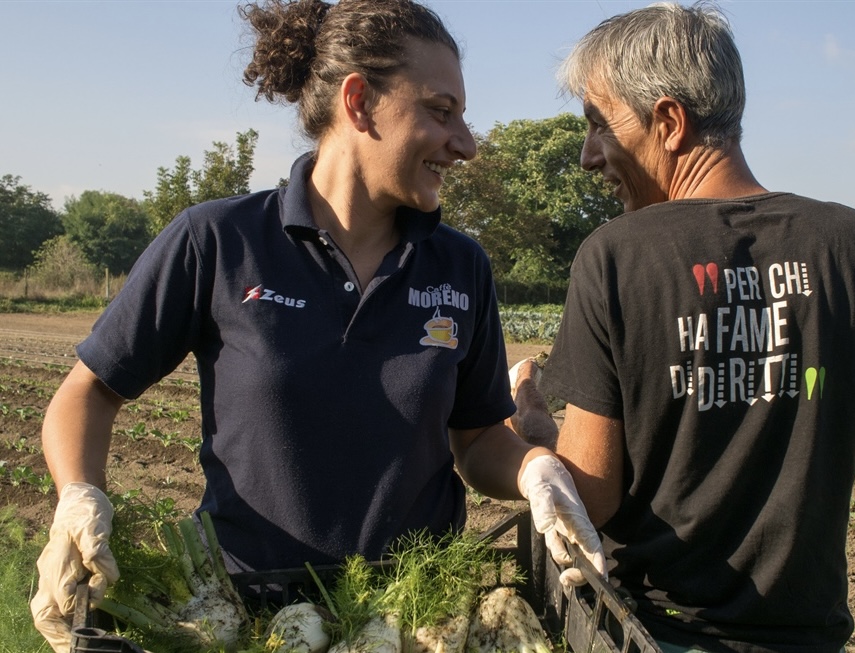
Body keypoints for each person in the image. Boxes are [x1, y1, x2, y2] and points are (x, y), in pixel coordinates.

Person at [28, 1, 604, 651]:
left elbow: (476, 439)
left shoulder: (459, 265)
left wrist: (532, 468)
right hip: (240, 619)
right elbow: (89, 392)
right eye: (441, 111)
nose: (466, 143)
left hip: (415, 620)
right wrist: (77, 494)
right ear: (359, 103)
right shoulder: (219, 241)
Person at [510, 3, 855, 652]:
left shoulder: (616, 257)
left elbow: (592, 492)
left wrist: (532, 430)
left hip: (657, 634)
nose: (590, 155)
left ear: (669, 121)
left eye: (598, 124)